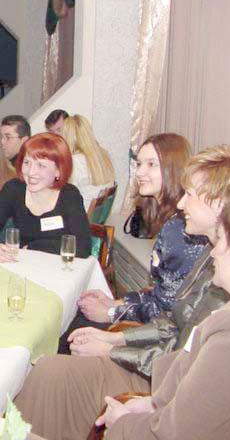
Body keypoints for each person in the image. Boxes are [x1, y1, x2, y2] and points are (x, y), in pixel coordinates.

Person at [14, 144, 230, 440]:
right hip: (162, 378)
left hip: (157, 381)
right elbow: (174, 324)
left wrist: (114, 345)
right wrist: (116, 338)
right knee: (47, 371)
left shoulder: (228, 293)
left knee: (49, 373)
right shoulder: (211, 256)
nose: (181, 203)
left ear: (219, 203)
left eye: (190, 194)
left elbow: (183, 417)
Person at [95, 195, 230, 439]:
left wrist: (123, 423)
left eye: (221, 240)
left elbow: (179, 433)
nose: (214, 253)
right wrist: (154, 404)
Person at [75, 133, 206, 327]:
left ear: (173, 169)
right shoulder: (173, 220)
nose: (140, 172)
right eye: (139, 164)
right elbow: (162, 293)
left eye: (151, 164)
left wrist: (111, 313)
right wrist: (116, 303)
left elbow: (168, 310)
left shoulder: (179, 228)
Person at [0, 132, 91, 260]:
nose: (31, 172)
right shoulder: (14, 190)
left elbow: (83, 247)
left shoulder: (69, 195)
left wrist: (34, 246)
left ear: (58, 170)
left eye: (41, 165)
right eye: (27, 163)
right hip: (24, 266)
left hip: (57, 268)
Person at [59, 114, 115, 210]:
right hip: (95, 214)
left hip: (81, 214)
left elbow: (65, 195)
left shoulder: (75, 161)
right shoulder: (103, 154)